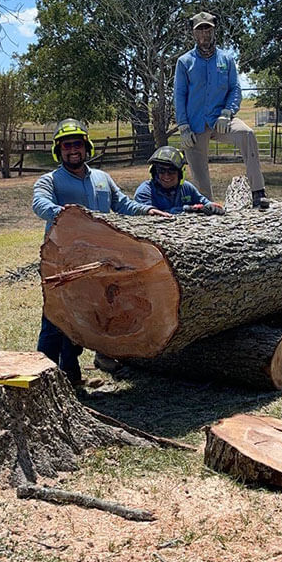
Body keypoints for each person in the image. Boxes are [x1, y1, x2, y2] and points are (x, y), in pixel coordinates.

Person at [32, 118, 172, 386]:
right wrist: (62, 212)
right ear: (58, 151)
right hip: (64, 265)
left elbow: (121, 204)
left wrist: (148, 211)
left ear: (86, 147)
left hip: (100, 263)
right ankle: (44, 379)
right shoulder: (50, 181)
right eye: (66, 146)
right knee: (55, 322)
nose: (72, 150)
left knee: (92, 317)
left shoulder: (102, 179)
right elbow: (39, 204)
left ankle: (78, 372)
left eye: (77, 144)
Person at [173, 11, 269, 208]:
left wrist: (228, 112)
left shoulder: (226, 59)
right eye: (200, 30)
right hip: (195, 124)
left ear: (214, 31)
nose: (204, 34)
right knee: (199, 173)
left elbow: (235, 89)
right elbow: (179, 95)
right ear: (193, 33)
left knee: (247, 134)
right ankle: (207, 205)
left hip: (221, 119)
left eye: (208, 29)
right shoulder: (184, 62)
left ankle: (258, 192)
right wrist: (183, 125)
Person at [134, 146, 224, 215]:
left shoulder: (187, 188)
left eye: (171, 171)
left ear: (180, 173)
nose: (166, 175)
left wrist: (211, 207)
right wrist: (186, 209)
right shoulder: (144, 191)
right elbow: (149, 216)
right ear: (154, 172)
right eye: (161, 170)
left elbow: (204, 202)